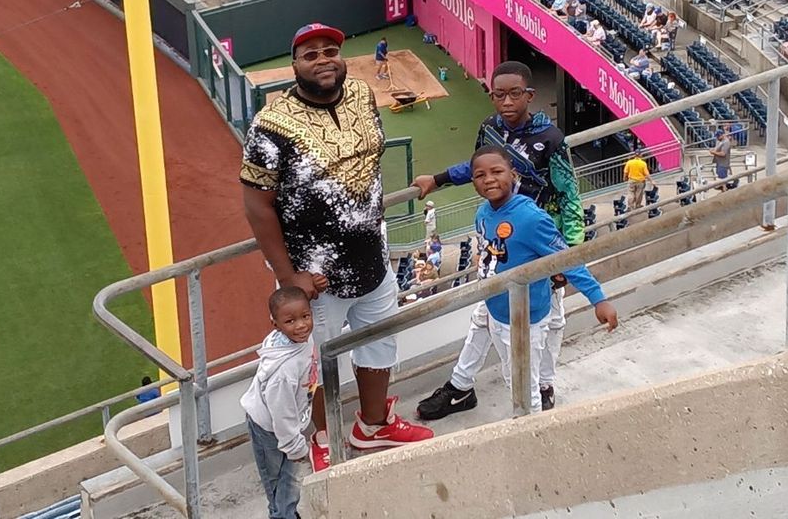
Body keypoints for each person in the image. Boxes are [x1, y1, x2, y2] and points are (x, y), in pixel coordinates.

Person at [241, 23, 432, 471]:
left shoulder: (363, 95)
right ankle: (324, 435)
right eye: (311, 54)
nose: (323, 59)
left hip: (373, 258)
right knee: (317, 361)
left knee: (379, 345)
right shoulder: (270, 124)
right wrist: (290, 278)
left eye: (331, 50)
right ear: (294, 65)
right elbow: (256, 206)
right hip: (314, 276)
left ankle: (372, 425)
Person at [412, 61, 592, 413]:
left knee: (551, 319)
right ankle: (461, 386)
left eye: (514, 94)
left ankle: (543, 385)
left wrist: (567, 256)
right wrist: (439, 178)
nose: (506, 101)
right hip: (501, 242)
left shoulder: (550, 139)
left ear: (529, 95)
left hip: (541, 243)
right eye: (499, 94)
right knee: (485, 315)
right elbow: (479, 164)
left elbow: (569, 197)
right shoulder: (489, 127)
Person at [419, 147, 616, 415]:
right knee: (512, 374)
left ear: (513, 175)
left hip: (525, 321)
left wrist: (598, 299)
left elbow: (567, 259)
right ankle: (466, 391)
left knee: (523, 386)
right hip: (495, 309)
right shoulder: (483, 213)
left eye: (497, 172)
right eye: (480, 175)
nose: (489, 179)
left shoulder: (531, 219)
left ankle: (530, 433)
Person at [240, 286, 317, 519]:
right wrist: (295, 446)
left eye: (305, 316)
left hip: (285, 424)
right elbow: (281, 414)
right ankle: (282, 515)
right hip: (269, 428)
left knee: (289, 477)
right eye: (290, 321)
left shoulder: (299, 340)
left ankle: (286, 512)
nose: (301, 325)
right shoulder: (283, 373)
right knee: (279, 480)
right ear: (276, 325)